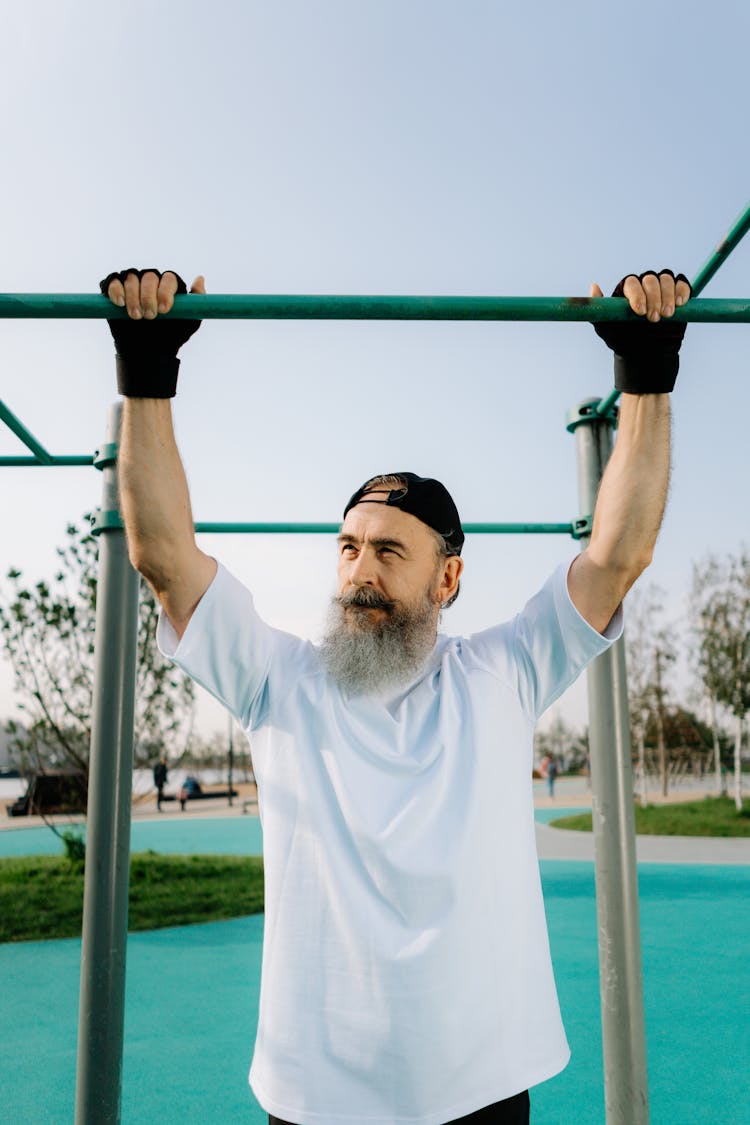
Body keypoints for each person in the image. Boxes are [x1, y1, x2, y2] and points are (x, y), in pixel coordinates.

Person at [100, 265, 690, 1125]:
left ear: (447, 578)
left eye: (388, 551)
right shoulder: (280, 680)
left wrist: (646, 375)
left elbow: (616, 557)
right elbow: (161, 555)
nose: (359, 570)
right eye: (348, 547)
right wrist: (146, 372)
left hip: (479, 1088)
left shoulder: (505, 671)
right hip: (317, 1096)